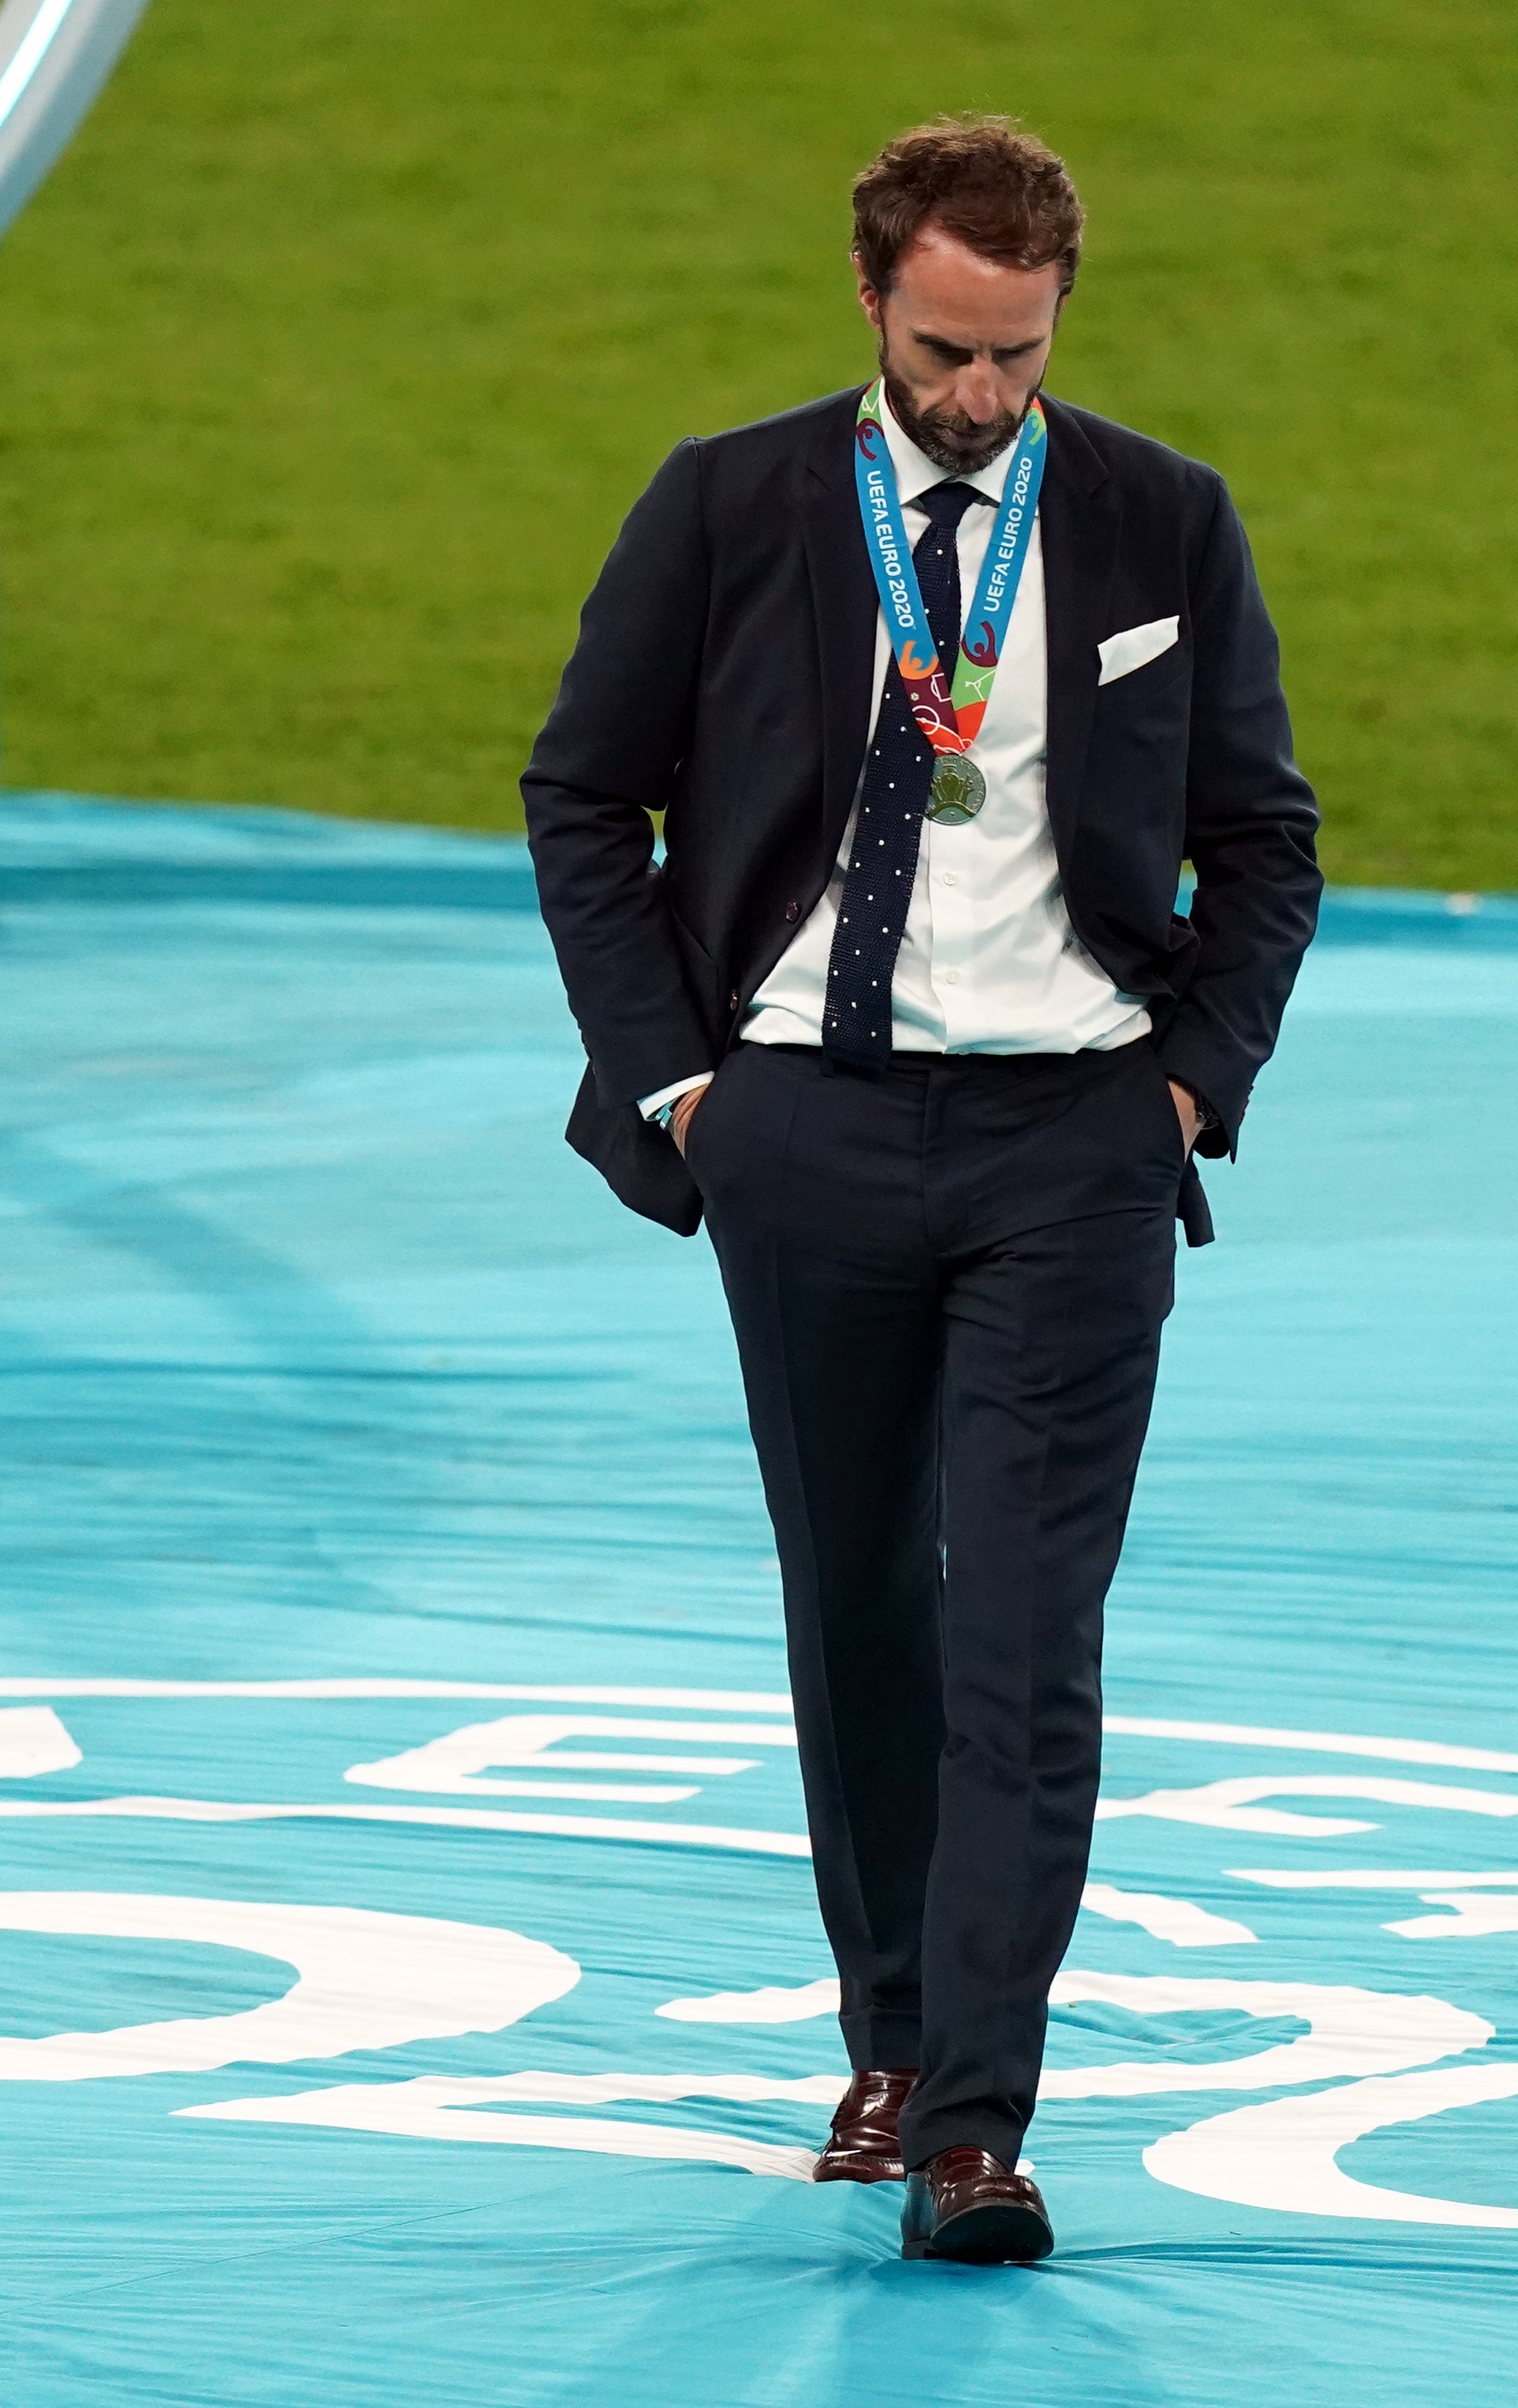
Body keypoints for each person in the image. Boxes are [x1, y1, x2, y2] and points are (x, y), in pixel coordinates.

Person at [523, 118, 1321, 2261]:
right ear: (871, 299)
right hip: (805, 1127)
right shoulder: (729, 504)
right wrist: (683, 1087)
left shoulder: (1161, 518)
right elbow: (585, 795)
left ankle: (978, 2119)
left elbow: (1263, 842)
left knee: (1029, 1634)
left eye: (1021, 357)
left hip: (1075, 1146)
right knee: (860, 1601)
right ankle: (886, 2036)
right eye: (951, 352)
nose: (984, 397)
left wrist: (1187, 1094)